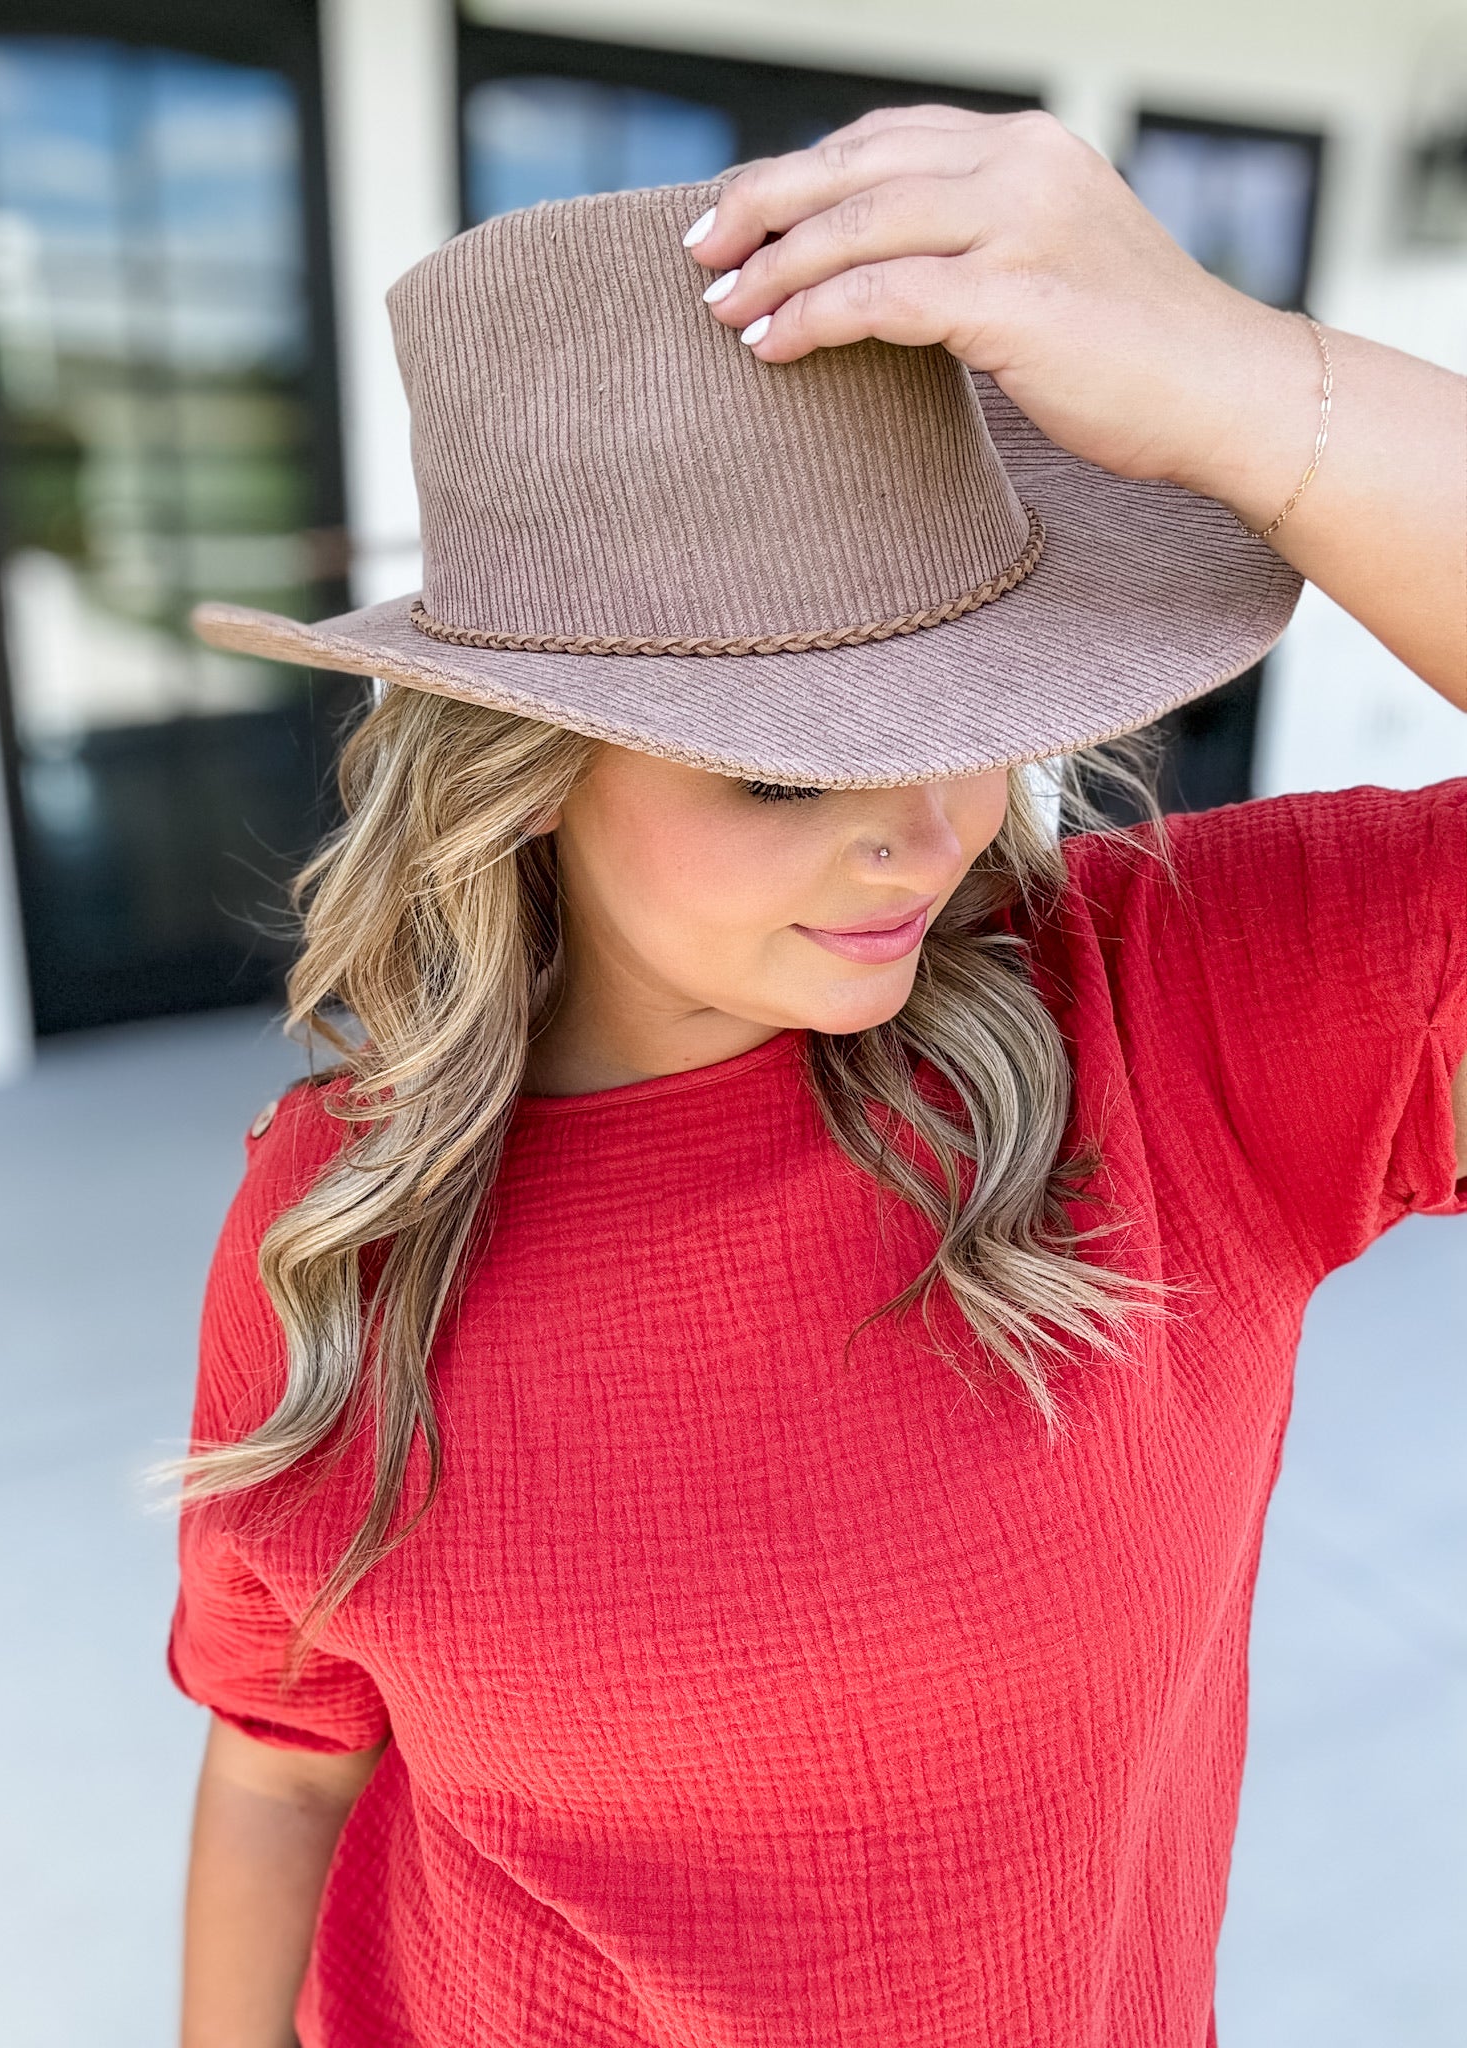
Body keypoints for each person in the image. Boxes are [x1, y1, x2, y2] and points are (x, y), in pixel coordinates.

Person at [168, 106, 1466, 2048]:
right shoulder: (341, 1207)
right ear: (525, 779)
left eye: (965, 704)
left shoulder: (1171, 1020)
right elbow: (284, 1760)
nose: (932, 830)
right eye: (783, 766)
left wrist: (1247, 385)